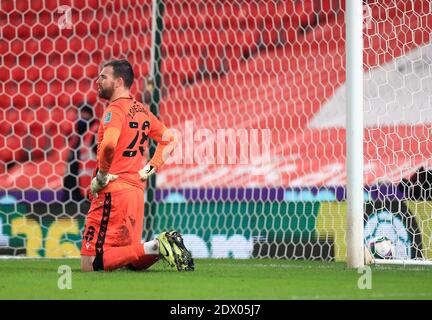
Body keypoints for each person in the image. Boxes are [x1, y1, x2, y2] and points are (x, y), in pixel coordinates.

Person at [80, 59, 194, 272]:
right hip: (135, 192)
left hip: (112, 193)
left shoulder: (113, 111)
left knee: (90, 264)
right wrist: (150, 169)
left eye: (103, 77)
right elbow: (170, 139)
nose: (98, 81)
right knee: (129, 259)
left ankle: (157, 245)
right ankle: (159, 247)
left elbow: (109, 145)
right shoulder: (141, 110)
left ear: (118, 82)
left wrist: (102, 175)